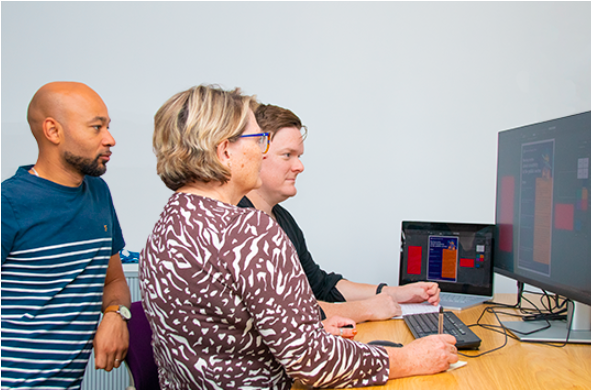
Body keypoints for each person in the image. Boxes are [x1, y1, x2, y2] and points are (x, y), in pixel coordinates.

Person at [140, 84, 458, 390]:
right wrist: (409, 359)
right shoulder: (248, 232)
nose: (261, 150)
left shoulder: (164, 228)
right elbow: (312, 361)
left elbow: (222, 333)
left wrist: (308, 332)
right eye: (258, 140)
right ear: (225, 150)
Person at [238, 104, 441, 323]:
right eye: (287, 155)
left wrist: (394, 293)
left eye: (299, 156)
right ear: (256, 153)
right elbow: (288, 310)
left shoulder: (283, 219)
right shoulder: (241, 223)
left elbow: (320, 286)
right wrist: (367, 309)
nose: (299, 166)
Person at [1, 82, 131, 389]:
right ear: (53, 131)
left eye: (108, 127)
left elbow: (113, 281)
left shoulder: (98, 193)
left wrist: (115, 315)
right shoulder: (9, 203)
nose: (109, 139)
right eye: (96, 128)